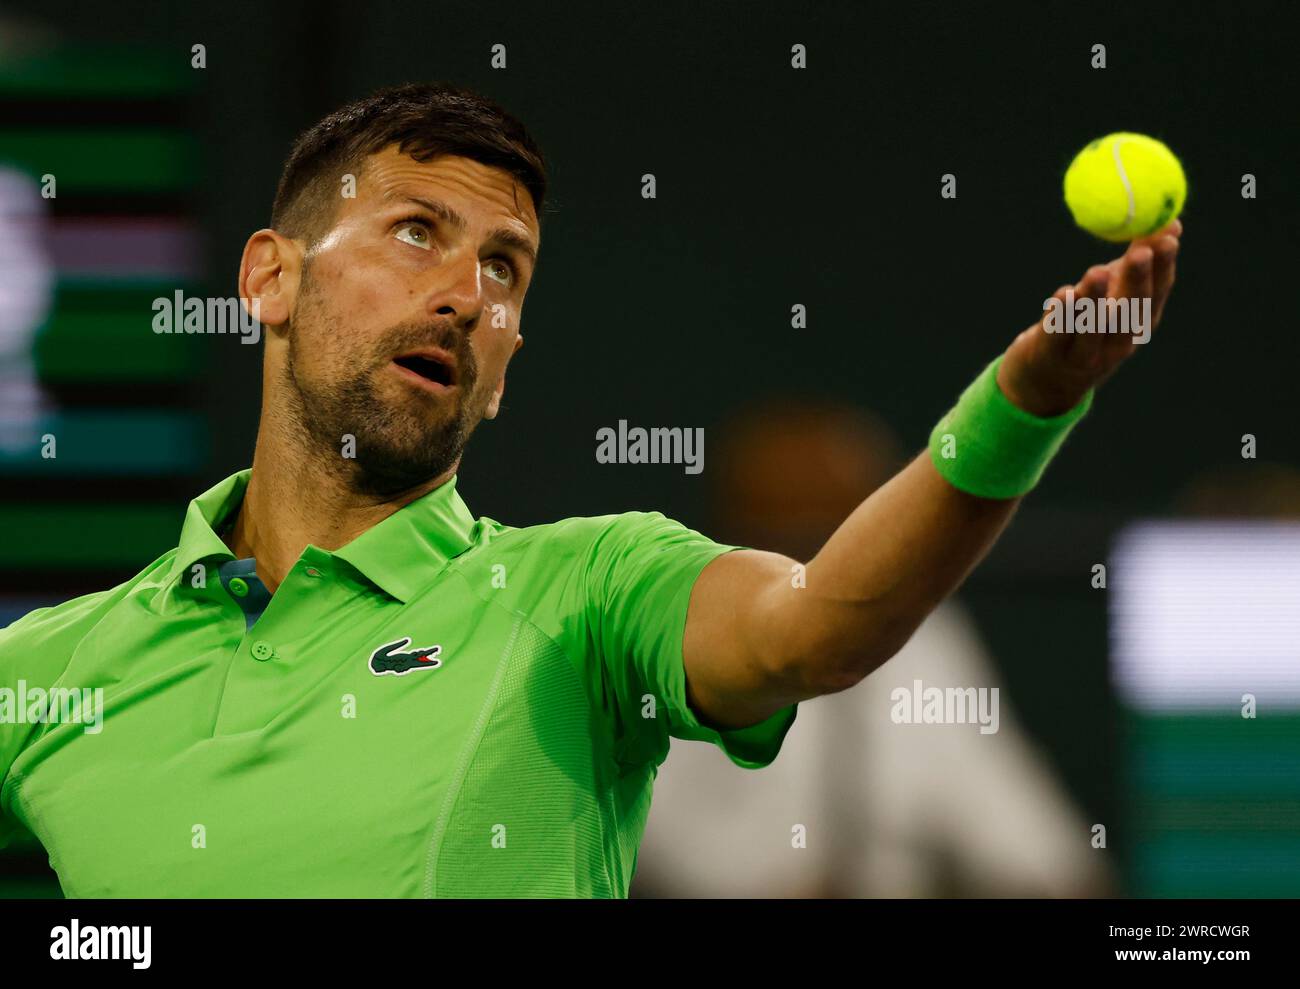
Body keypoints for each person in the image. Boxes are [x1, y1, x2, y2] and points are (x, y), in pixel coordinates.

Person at [0, 82, 1182, 897]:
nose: (468, 292)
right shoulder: (48, 676)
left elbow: (821, 624)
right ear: (270, 277)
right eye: (417, 231)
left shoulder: (585, 591)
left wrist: (1023, 405)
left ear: (508, 366)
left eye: (503, 267)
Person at [632, 403, 1112, 897]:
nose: (821, 565)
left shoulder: (923, 635)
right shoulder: (675, 644)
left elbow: (1037, 849)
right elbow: (634, 843)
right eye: (787, 542)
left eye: (844, 537)